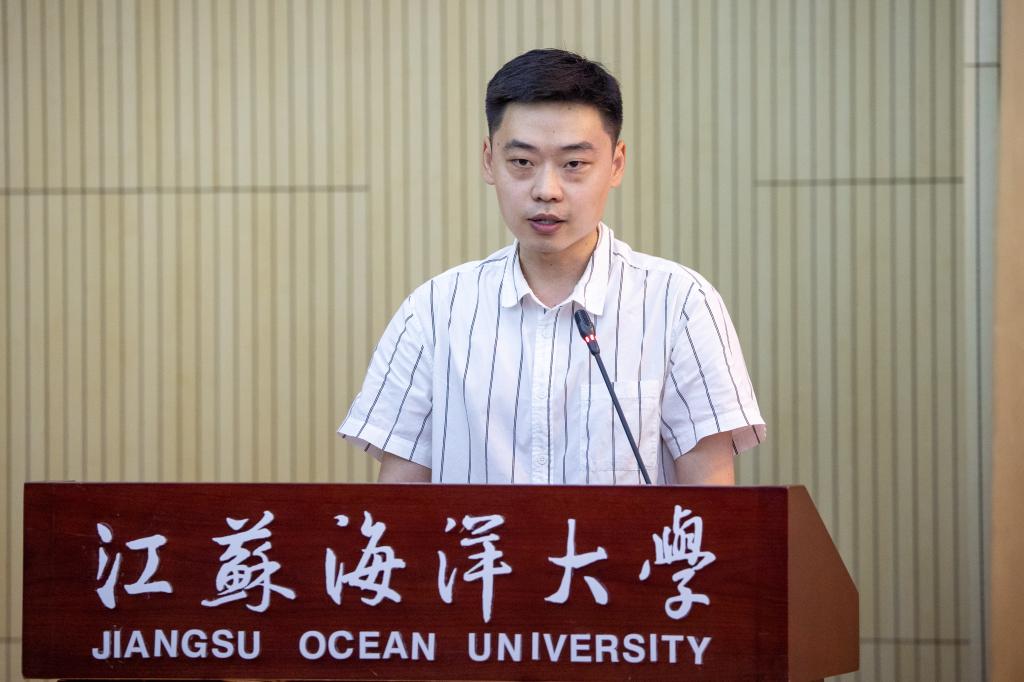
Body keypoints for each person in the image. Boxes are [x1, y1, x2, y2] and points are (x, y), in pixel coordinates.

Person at [338, 48, 765, 485]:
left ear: (616, 164)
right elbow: (399, 505)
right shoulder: (433, 311)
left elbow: (710, 503)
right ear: (489, 160)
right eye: (522, 162)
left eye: (574, 164)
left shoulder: (679, 304)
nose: (547, 190)